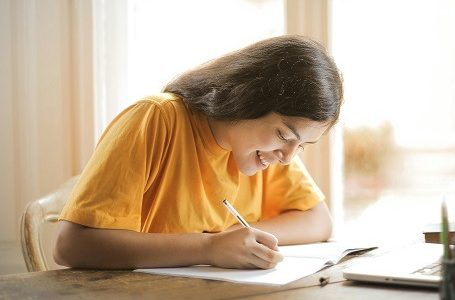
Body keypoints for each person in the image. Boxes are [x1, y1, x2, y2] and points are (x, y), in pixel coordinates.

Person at [53, 35, 344, 270]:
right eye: (284, 135)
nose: (288, 157)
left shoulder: (267, 152)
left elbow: (319, 221)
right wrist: (209, 248)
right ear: (247, 98)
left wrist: (238, 238)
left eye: (301, 146)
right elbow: (71, 246)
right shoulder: (156, 119)